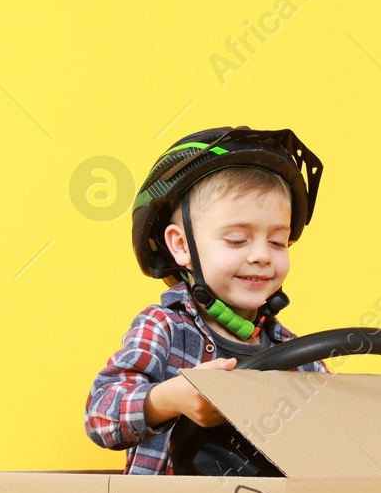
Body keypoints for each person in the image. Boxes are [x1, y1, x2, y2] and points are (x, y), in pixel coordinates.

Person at [85, 126, 328, 473]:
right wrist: (170, 398)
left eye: (278, 242)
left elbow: (339, 434)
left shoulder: (298, 356)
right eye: (236, 240)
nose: (262, 255)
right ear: (182, 246)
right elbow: (100, 414)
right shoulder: (164, 327)